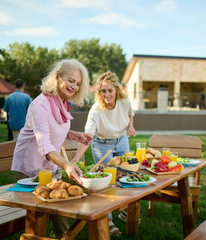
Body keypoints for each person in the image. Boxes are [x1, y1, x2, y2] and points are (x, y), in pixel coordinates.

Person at [11, 59, 93, 238]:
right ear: (57, 77)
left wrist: (73, 134)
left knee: (61, 204)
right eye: (71, 80)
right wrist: (67, 165)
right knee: (39, 212)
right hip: (30, 165)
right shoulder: (41, 104)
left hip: (49, 165)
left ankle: (64, 236)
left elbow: (54, 128)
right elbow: (44, 144)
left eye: (78, 83)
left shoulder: (61, 102)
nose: (74, 86)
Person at [72, 71, 136, 236]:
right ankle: (107, 219)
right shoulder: (96, 110)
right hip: (101, 144)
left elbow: (130, 115)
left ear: (116, 90)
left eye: (110, 91)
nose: (107, 95)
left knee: (126, 175)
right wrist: (76, 158)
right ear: (99, 92)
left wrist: (130, 126)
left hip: (121, 141)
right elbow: (88, 135)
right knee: (106, 182)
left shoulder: (124, 101)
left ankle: (124, 211)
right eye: (103, 91)